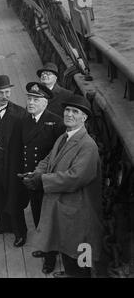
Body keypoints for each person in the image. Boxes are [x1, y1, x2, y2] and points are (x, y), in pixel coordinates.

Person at [22, 95, 103, 278]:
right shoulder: (64, 137)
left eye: (75, 112)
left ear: (84, 118)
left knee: (81, 259)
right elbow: (48, 159)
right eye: (67, 110)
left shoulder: (88, 146)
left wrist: (42, 180)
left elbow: (75, 177)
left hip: (80, 214)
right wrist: (36, 173)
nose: (69, 114)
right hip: (65, 210)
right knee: (67, 251)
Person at [19, 82, 65, 273]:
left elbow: (61, 154)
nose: (30, 102)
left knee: (49, 218)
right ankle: (44, 247)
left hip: (47, 178)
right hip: (32, 177)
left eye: (35, 100)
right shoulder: (25, 120)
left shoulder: (56, 123)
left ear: (45, 102)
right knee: (37, 214)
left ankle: (50, 257)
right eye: (29, 98)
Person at [0, 75, 27, 247]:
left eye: (8, 92)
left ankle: (20, 232)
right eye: (1, 92)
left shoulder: (19, 113)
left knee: (13, 196)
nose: (5, 95)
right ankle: (3, 225)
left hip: (11, 164)